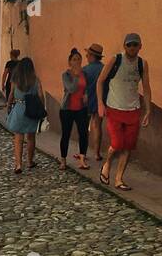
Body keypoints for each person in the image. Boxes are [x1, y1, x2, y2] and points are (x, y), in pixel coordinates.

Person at [98, 33, 151, 191]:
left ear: (140, 46)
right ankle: (107, 164)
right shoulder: (116, 60)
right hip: (114, 108)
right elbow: (100, 81)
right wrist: (100, 103)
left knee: (128, 146)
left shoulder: (142, 64)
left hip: (133, 109)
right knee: (117, 143)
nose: (132, 48)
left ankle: (119, 178)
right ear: (124, 46)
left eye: (135, 45)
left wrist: (148, 110)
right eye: (129, 45)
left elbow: (147, 88)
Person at [4, 56, 44, 173]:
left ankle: (18, 164)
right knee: (31, 138)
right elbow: (41, 95)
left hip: (19, 108)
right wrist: (42, 108)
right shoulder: (35, 80)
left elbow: (11, 94)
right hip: (32, 109)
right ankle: (30, 161)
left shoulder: (16, 79)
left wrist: (8, 105)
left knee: (18, 137)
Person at [59, 47, 90, 169]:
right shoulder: (66, 75)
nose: (77, 61)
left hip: (81, 108)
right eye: (74, 59)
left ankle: (82, 160)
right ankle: (63, 160)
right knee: (66, 134)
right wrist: (76, 76)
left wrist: (86, 94)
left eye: (78, 59)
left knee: (83, 134)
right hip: (67, 109)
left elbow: (86, 87)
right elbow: (71, 88)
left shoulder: (85, 74)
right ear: (70, 62)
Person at [82, 42, 106, 163]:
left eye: (87, 55)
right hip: (99, 101)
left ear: (91, 55)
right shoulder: (104, 69)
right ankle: (97, 153)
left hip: (86, 101)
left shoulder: (85, 70)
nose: (86, 56)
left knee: (84, 127)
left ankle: (83, 153)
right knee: (97, 126)